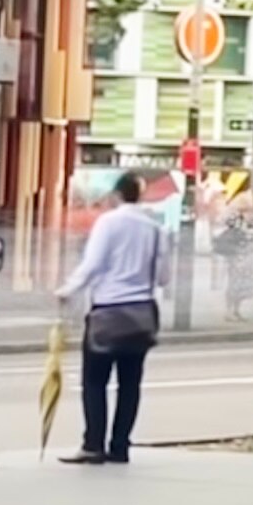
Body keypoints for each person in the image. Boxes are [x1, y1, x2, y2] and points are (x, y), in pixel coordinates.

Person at [55, 169, 166, 465]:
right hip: (141, 313)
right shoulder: (154, 228)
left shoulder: (108, 223)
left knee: (95, 381)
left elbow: (92, 264)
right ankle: (120, 446)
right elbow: (163, 276)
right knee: (130, 384)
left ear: (116, 195)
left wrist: (68, 290)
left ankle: (94, 444)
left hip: (107, 311)